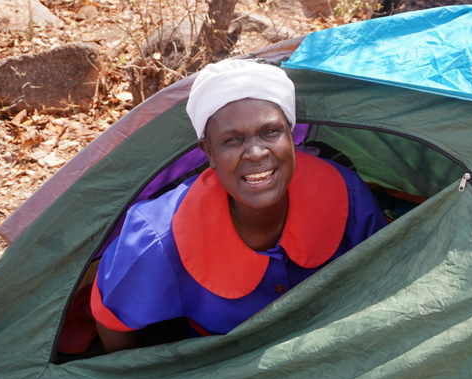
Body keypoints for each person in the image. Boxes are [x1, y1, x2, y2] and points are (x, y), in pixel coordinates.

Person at [90, 59, 387, 353]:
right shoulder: (158, 238)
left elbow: (384, 273)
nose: (256, 153)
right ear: (208, 152)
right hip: (222, 369)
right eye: (233, 140)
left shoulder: (343, 192)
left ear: (291, 134)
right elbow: (113, 322)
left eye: (270, 132)